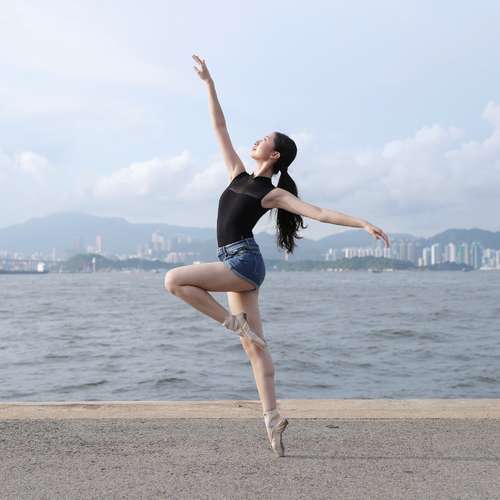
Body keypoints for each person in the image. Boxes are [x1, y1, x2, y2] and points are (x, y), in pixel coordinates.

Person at [164, 54, 390, 457]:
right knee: (255, 347)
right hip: (238, 263)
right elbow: (219, 126)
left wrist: (362, 223)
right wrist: (209, 83)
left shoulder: (272, 193)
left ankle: (233, 323)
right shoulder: (237, 174)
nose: (256, 140)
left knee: (174, 280)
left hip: (242, 262)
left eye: (264, 139)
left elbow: (319, 212)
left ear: (275, 156)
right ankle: (273, 421)